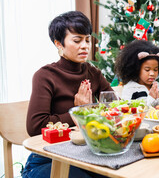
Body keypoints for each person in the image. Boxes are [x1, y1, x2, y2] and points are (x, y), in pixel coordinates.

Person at [23, 11, 112, 178]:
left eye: (87, 39)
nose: (85, 45)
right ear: (59, 44)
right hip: (47, 160)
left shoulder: (94, 74)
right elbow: (35, 127)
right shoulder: (45, 76)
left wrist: (89, 110)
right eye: (77, 40)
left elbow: (115, 108)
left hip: (86, 155)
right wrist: (79, 111)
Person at [115, 39, 159, 107]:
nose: (152, 73)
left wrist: (158, 99)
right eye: (147, 70)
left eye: (155, 70)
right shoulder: (130, 89)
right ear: (137, 69)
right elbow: (128, 110)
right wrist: (152, 99)